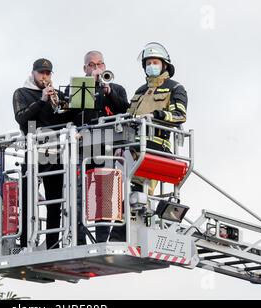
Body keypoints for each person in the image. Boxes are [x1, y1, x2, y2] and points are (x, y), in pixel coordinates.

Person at [109, 42, 188, 241]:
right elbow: (129, 116)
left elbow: (179, 115)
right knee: (116, 186)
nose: (151, 65)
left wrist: (158, 114)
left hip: (157, 146)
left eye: (155, 62)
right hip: (133, 146)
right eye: (148, 62)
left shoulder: (175, 87)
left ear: (164, 65)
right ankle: (118, 233)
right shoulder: (140, 91)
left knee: (137, 190)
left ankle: (126, 235)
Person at [67, 51, 130, 244]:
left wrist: (108, 91)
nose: (97, 68)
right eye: (92, 65)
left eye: (100, 64)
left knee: (104, 196)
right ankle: (78, 240)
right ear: (85, 68)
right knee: (76, 194)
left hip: (106, 147)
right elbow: (70, 114)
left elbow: (125, 110)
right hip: (81, 148)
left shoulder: (116, 88)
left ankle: (102, 240)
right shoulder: (76, 87)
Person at [13, 58, 71, 250]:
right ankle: (24, 243)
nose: (44, 77)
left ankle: (53, 243)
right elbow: (21, 118)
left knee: (55, 200)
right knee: (28, 198)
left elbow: (66, 119)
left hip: (54, 149)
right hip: (33, 148)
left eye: (48, 73)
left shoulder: (58, 93)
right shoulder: (22, 93)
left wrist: (62, 105)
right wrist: (42, 100)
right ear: (33, 73)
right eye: (41, 73)